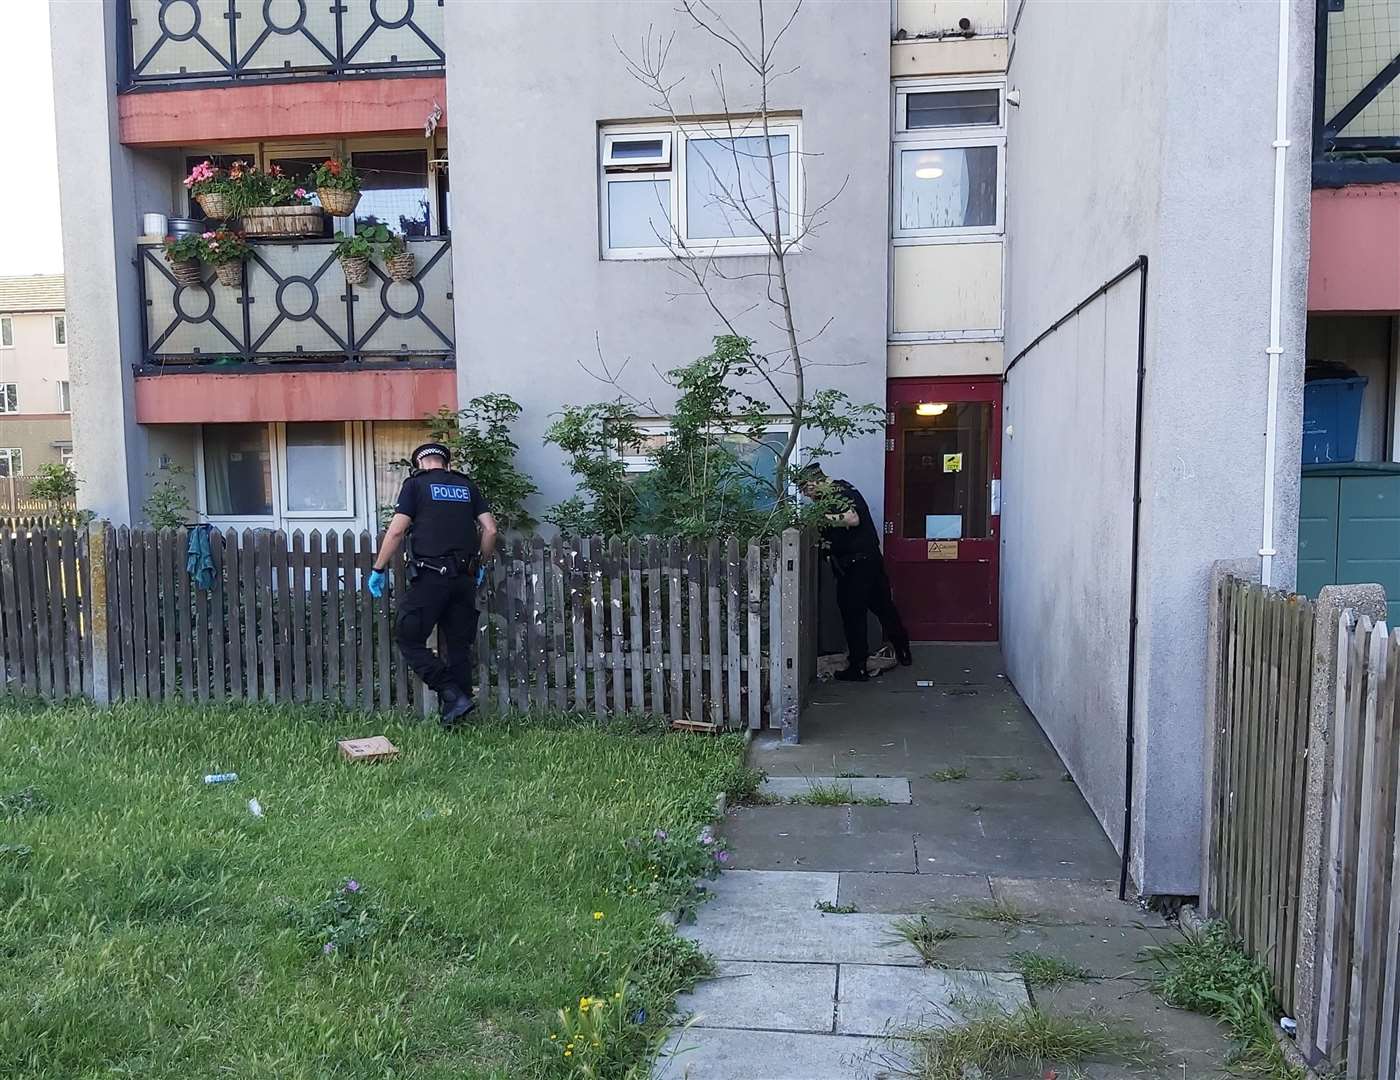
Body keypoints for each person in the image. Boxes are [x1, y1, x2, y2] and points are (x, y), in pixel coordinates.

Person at [368, 442, 498, 727]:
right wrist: (481, 566)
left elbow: (398, 530)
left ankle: (451, 694)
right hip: (464, 579)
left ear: (420, 464)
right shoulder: (466, 486)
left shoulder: (415, 486)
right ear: (446, 464)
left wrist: (378, 568)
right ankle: (457, 718)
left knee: (408, 637)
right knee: (458, 647)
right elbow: (490, 529)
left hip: (431, 576)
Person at [795, 462, 912, 681]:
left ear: (813, 483)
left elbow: (852, 518)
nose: (807, 496)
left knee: (853, 613)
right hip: (869, 558)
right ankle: (903, 649)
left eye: (805, 490)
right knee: (882, 606)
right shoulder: (844, 488)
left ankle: (857, 667)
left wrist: (818, 518)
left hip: (857, 563)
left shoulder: (836, 493)